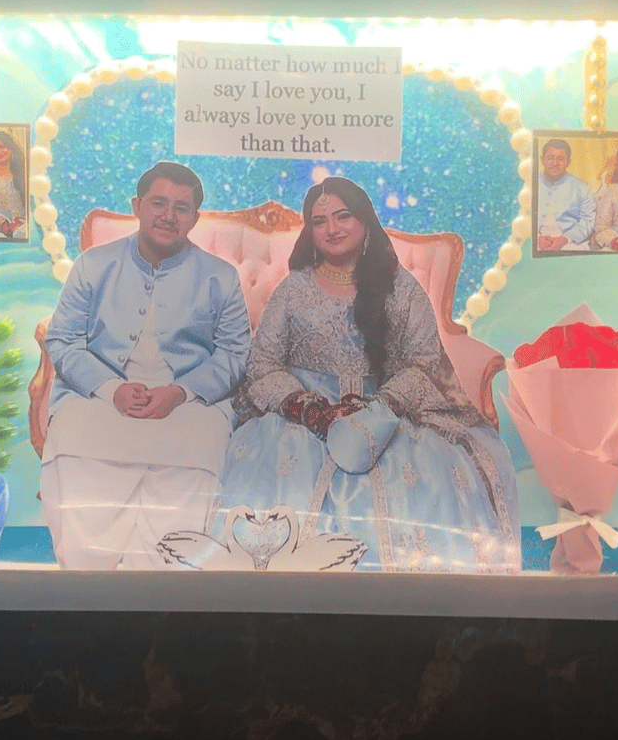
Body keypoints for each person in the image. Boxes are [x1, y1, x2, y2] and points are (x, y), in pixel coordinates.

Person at [209, 177, 520, 574]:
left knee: (427, 473)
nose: (332, 229)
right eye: (319, 221)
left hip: (385, 414)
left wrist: (377, 407)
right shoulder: (293, 289)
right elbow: (263, 365)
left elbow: (424, 363)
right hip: (302, 418)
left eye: (343, 216)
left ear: (365, 220)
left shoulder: (402, 288)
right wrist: (312, 409)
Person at [40, 161, 252, 569]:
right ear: (137, 206)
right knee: (74, 431)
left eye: (181, 207)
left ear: (195, 217)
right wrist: (111, 389)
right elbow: (63, 339)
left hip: (188, 404)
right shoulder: (93, 264)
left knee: (201, 439)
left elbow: (234, 353)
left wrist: (180, 392)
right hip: (98, 397)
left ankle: (160, 586)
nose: (168, 216)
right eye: (158, 203)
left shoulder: (220, 277)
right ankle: (87, 578)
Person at [536, 138, 595, 252]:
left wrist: (564, 240)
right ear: (542, 160)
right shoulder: (530, 183)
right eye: (550, 158)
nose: (555, 163)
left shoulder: (581, 187)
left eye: (560, 159)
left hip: (570, 242)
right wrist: (536, 238)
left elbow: (588, 221)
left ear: (568, 162)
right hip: (536, 242)